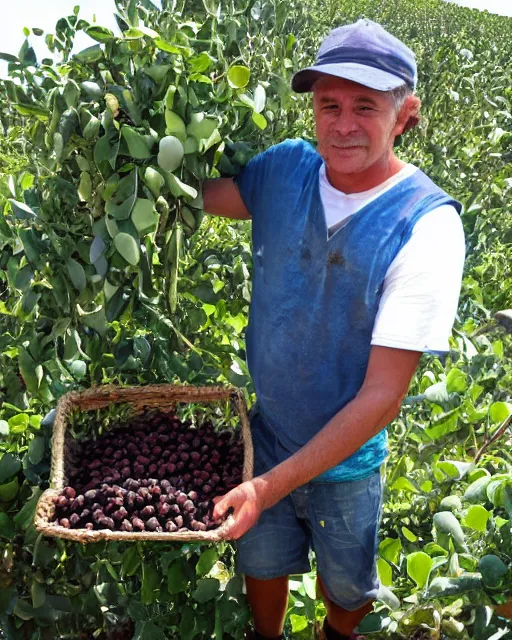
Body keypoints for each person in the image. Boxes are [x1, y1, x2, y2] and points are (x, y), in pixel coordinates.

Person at [203, 19, 466, 640]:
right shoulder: (285, 171)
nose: (343, 124)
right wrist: (115, 165)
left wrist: (269, 486)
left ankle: (332, 635)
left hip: (347, 460)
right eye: (329, 103)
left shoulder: (425, 226)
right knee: (261, 563)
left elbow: (382, 396)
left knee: (347, 590)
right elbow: (203, 196)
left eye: (366, 106)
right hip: (267, 433)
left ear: (405, 114)